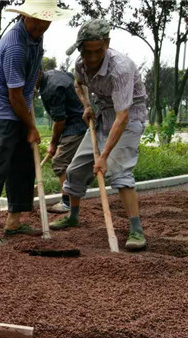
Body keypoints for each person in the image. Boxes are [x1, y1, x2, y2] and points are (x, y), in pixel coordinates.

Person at [0, 0, 74, 245]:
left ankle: (14, 222)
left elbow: (28, 84)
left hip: (19, 111)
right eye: (37, 19)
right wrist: (31, 127)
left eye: (46, 20)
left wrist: (28, 120)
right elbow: (14, 95)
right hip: (0, 116)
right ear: (25, 16)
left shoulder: (35, 37)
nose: (41, 25)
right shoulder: (16, 46)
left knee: (23, 168)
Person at [51, 19, 148, 251]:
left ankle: (136, 230)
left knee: (119, 171)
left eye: (98, 51)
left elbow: (122, 116)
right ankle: (73, 215)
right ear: (80, 48)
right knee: (74, 170)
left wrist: (103, 156)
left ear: (107, 44)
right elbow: (78, 84)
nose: (92, 58)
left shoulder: (120, 68)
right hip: (102, 116)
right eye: (87, 52)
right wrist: (87, 105)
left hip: (128, 119)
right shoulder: (80, 64)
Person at [37, 69, 88, 213]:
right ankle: (73, 195)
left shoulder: (51, 88)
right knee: (72, 164)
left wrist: (53, 143)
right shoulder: (53, 74)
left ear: (39, 72)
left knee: (60, 161)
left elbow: (60, 120)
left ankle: (67, 203)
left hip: (76, 125)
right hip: (78, 121)